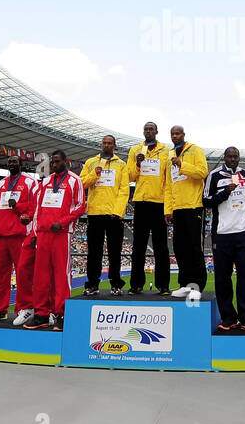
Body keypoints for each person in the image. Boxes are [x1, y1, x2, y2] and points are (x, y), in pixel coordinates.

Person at [25, 150, 86, 330]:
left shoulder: (75, 181)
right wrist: (35, 233)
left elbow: (81, 206)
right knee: (41, 277)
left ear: (65, 161)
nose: (53, 165)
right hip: (43, 234)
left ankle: (61, 314)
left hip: (62, 234)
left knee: (61, 276)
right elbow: (37, 210)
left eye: (56, 162)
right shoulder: (45, 182)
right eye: (52, 162)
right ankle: (42, 314)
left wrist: (62, 223)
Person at [203, 147, 245, 332]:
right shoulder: (214, 175)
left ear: (239, 158)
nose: (233, 159)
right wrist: (225, 193)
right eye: (230, 156)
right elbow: (205, 201)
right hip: (222, 233)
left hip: (243, 232)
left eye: (236, 156)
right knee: (222, 278)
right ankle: (228, 318)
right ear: (225, 158)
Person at [0, 156, 36, 322]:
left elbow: (34, 206)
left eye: (15, 162)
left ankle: (25, 308)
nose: (11, 164)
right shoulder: (0, 184)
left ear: (21, 164)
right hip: (1, 235)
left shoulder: (30, 182)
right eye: (9, 162)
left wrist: (18, 207)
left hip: (20, 233)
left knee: (23, 273)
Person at [81, 135, 129, 296]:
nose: (106, 145)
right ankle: (92, 285)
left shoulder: (121, 165)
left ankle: (116, 284)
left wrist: (118, 211)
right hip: (95, 212)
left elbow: (124, 190)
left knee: (115, 252)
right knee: (94, 252)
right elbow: (81, 184)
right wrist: (94, 174)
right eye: (104, 143)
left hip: (113, 214)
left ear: (114, 146)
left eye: (110, 143)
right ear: (101, 145)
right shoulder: (90, 162)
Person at [165, 124, 209, 298]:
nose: (175, 136)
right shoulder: (170, 155)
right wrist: (168, 209)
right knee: (179, 247)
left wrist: (182, 165)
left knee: (193, 247)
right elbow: (169, 184)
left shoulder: (195, 150)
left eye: (177, 133)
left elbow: (202, 172)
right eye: (172, 134)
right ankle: (184, 284)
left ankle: (196, 285)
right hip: (177, 208)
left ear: (183, 134)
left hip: (193, 205)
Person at [126, 122, 170, 294]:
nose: (148, 131)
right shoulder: (135, 150)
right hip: (141, 201)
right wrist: (137, 164)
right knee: (138, 246)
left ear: (156, 132)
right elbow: (128, 176)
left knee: (162, 247)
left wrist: (168, 205)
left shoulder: (166, 151)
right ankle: (136, 284)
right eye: (146, 129)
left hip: (159, 202)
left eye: (151, 129)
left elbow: (168, 177)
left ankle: (163, 285)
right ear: (143, 132)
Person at [11, 174, 41, 327]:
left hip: (49, 232)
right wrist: (26, 216)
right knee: (22, 269)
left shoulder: (66, 183)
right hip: (31, 234)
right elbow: (31, 209)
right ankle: (27, 307)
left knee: (46, 273)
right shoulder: (36, 188)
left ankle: (48, 311)